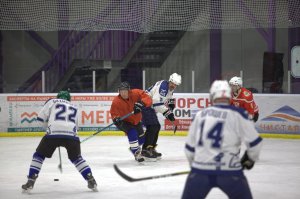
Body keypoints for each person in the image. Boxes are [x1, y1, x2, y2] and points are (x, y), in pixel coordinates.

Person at [182, 80, 263, 199]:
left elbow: (189, 149)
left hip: (201, 171)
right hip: (230, 171)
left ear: (212, 96)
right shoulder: (239, 114)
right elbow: (255, 144)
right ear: (229, 95)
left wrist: (195, 167)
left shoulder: (200, 114)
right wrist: (249, 160)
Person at [22, 91, 97, 192]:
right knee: (77, 158)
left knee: (39, 155)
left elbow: (40, 119)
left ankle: (31, 180)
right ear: (69, 99)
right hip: (72, 136)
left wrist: (49, 128)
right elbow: (77, 126)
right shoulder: (74, 106)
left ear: (57, 97)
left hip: (53, 134)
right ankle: (91, 179)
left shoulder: (52, 101)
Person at [141, 73, 181, 160]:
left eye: (176, 84)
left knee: (156, 126)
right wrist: (168, 113)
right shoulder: (163, 87)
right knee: (153, 126)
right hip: (145, 105)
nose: (174, 86)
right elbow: (156, 104)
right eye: (173, 83)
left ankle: (150, 148)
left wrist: (170, 104)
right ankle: (145, 150)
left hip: (148, 106)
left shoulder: (168, 87)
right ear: (170, 81)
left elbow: (167, 97)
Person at [110, 81, 152, 163]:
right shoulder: (116, 101)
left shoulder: (136, 93)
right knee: (132, 132)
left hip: (136, 120)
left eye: (125, 91)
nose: (123, 93)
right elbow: (113, 113)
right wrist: (116, 119)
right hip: (123, 121)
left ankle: (133, 147)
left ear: (129, 91)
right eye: (121, 91)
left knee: (143, 139)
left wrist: (142, 103)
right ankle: (136, 153)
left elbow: (148, 98)